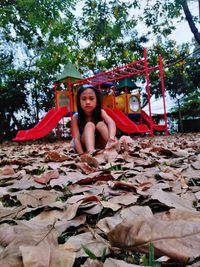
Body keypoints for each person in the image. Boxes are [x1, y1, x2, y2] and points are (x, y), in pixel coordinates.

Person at [71, 84, 117, 155]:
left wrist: (111, 137)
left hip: (100, 143)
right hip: (84, 144)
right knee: (89, 125)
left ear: (97, 101)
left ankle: (113, 146)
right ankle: (91, 152)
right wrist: (81, 154)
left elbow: (111, 122)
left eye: (91, 99)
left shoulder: (101, 112)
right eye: (84, 99)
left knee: (100, 124)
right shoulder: (75, 117)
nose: (88, 102)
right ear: (79, 103)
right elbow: (76, 139)